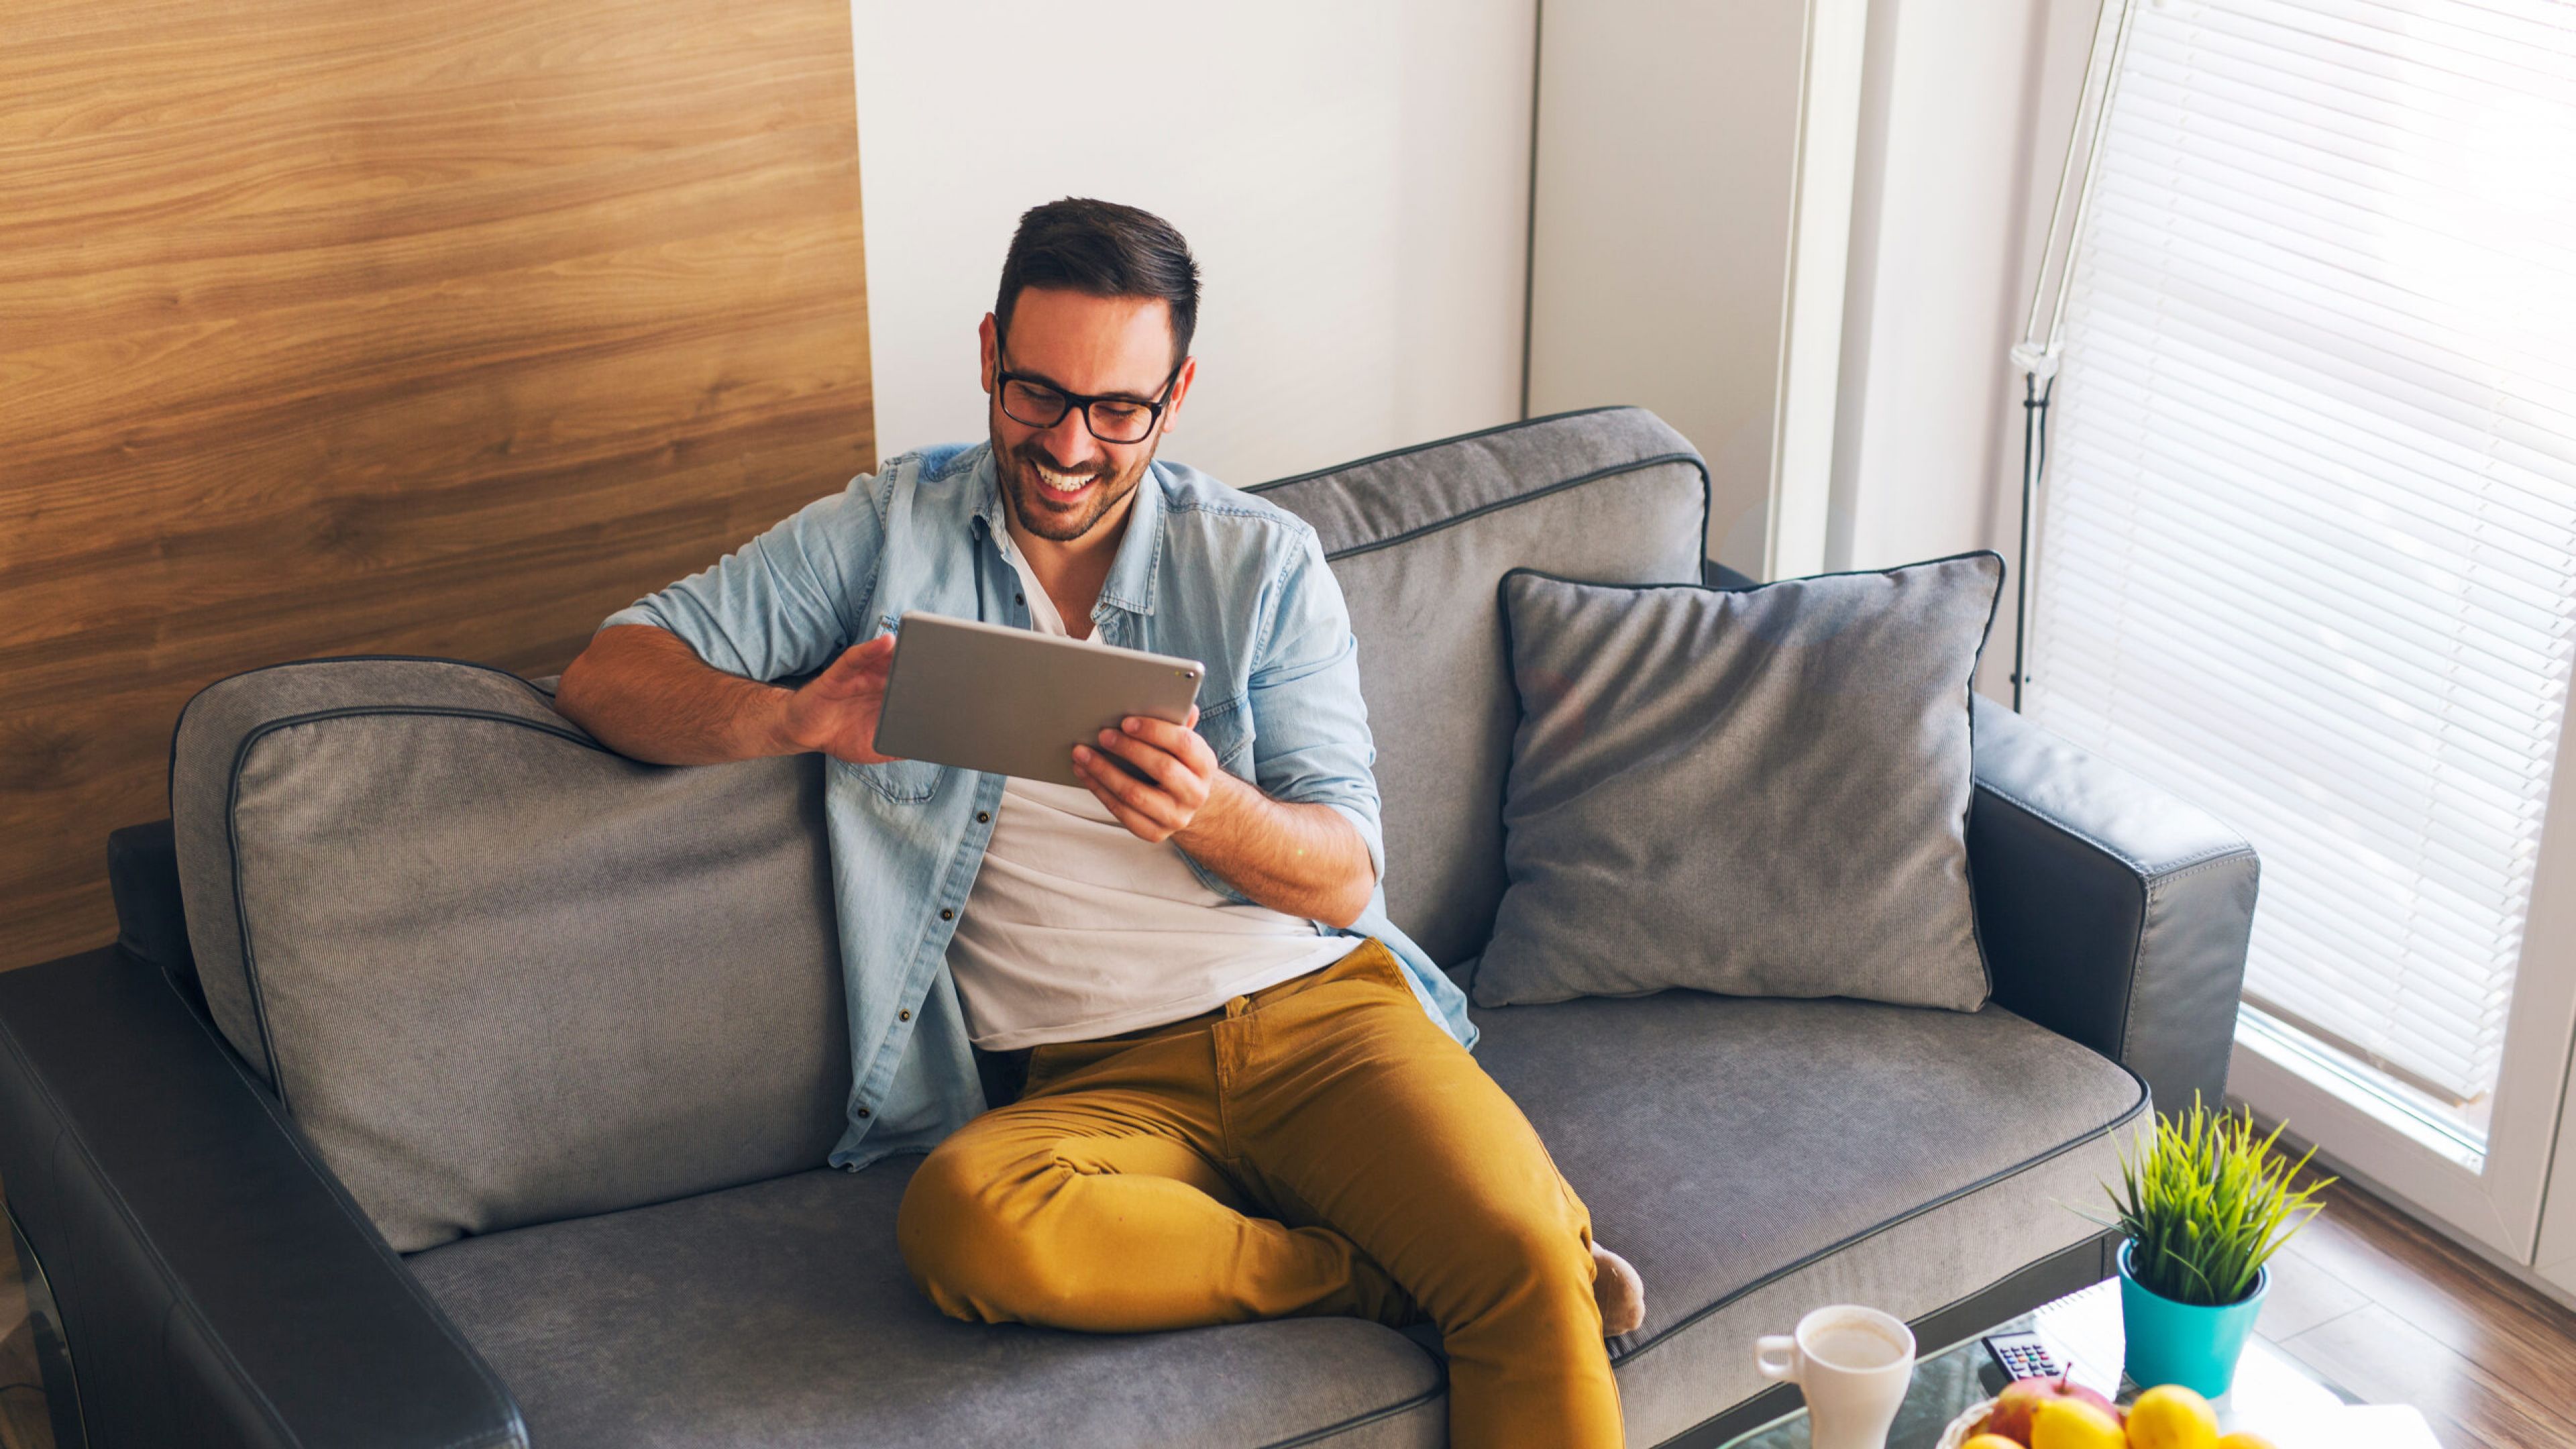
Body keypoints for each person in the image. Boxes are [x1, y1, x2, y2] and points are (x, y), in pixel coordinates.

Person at [553, 197, 1640, 1448]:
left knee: (1515, 1259)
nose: (1069, 445)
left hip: (1323, 1024)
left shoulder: (1260, 564)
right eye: (1037, 396)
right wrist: (792, 719)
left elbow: (1347, 876)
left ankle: (1476, 1261)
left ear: (1174, 400)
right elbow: (608, 673)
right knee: (965, 1221)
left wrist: (1210, 813)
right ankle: (1374, 1275)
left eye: (1117, 409)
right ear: (987, 359)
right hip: (1091, 1081)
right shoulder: (883, 535)